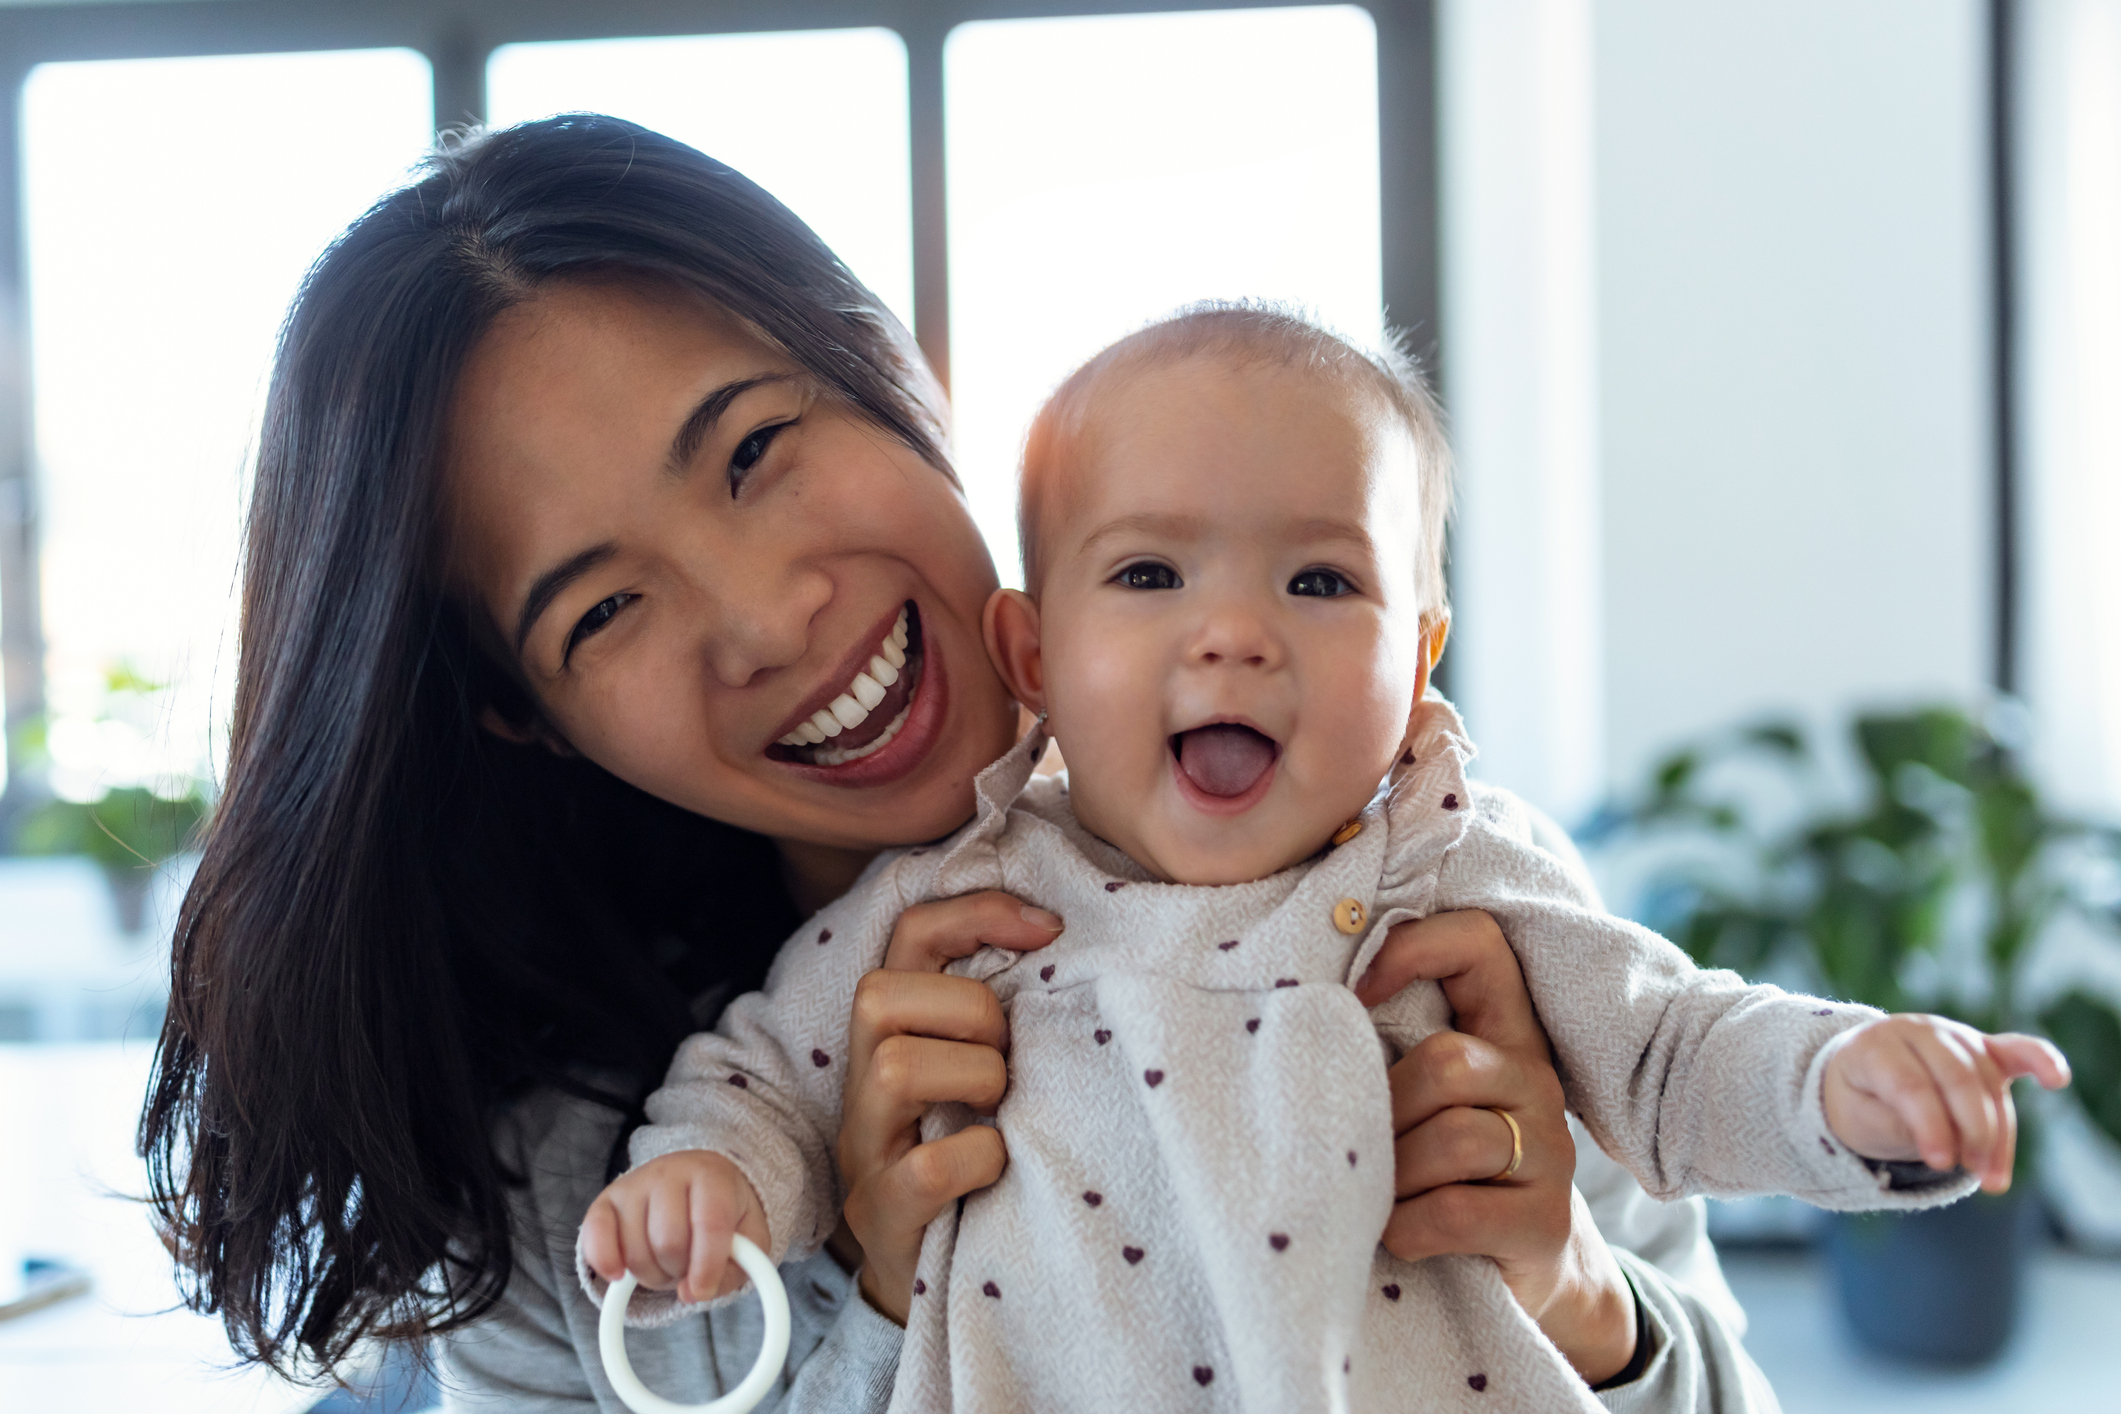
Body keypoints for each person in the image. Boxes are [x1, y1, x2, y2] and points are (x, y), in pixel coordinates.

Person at [136, 114, 1770, 1414]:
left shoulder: (1402, 876)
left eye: (759, 450)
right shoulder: (562, 1179)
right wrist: (874, 1292)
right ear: (525, 715)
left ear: (886, 369)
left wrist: (1575, 1295)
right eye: (608, 604)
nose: (767, 616)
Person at [579, 305, 2070, 1412]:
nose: (1234, 630)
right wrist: (709, 1181)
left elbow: (1675, 1051)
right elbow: (763, 1075)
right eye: (1150, 573)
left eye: (1319, 577)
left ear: (1420, 662)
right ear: (1032, 651)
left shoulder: (1459, 873)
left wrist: (1838, 1084)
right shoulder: (956, 904)